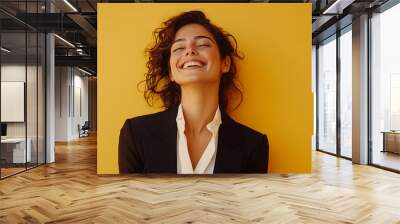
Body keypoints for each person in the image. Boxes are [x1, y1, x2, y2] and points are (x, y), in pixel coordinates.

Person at [119, 10, 268, 174]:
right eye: (179, 48)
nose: (189, 51)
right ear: (170, 72)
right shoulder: (136, 134)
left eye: (203, 44)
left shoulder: (254, 144)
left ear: (225, 63)